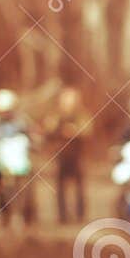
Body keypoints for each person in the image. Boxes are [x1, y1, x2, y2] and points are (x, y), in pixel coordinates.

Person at [0, 88, 36, 227]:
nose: (6, 114)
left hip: (19, 161)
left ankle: (26, 214)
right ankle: (2, 210)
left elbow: (34, 138)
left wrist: (31, 144)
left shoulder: (22, 121)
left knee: (25, 185)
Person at [45, 86, 90, 225]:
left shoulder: (82, 115)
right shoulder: (56, 116)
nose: (68, 103)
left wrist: (75, 131)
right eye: (66, 100)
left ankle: (80, 215)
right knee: (60, 187)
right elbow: (48, 129)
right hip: (61, 157)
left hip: (77, 156)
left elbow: (87, 130)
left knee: (79, 187)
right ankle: (62, 216)